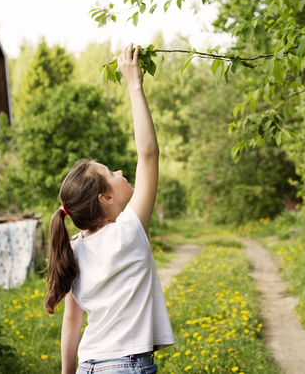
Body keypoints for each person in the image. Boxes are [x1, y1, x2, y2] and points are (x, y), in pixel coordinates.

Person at [44, 43, 175, 374]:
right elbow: (149, 154)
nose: (120, 172)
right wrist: (134, 84)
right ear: (105, 197)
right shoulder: (128, 230)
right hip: (126, 365)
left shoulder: (72, 249)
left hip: (89, 365)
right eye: (111, 173)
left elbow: (72, 323)